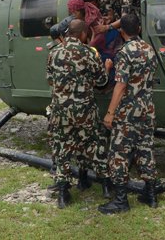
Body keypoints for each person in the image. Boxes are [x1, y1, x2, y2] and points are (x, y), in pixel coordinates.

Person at [46, 19, 113, 208]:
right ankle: (106, 186)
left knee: (62, 149)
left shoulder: (54, 53)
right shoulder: (89, 53)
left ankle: (62, 193)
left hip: (61, 112)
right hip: (85, 111)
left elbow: (50, 80)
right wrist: (106, 69)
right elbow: (101, 82)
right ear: (83, 34)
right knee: (95, 145)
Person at [99, 14, 159, 214]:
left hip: (128, 112)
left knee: (119, 153)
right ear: (139, 29)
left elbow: (121, 85)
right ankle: (150, 195)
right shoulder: (149, 49)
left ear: (122, 31)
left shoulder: (124, 52)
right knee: (145, 149)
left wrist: (110, 113)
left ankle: (121, 200)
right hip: (147, 109)